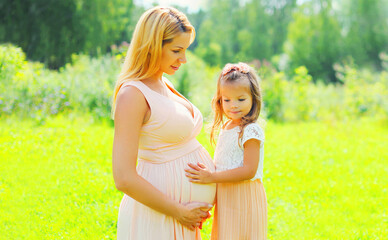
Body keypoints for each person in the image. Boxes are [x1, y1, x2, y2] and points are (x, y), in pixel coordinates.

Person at [111, 6, 216, 240]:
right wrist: (179, 211)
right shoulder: (132, 94)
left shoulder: (163, 83)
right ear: (152, 44)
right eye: (177, 50)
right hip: (158, 218)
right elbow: (123, 177)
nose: (184, 59)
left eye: (185, 50)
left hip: (180, 218)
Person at [185, 62, 267, 240]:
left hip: (244, 197)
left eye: (241, 99)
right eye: (226, 100)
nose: (233, 106)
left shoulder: (251, 130)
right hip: (226, 196)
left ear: (253, 98)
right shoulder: (227, 126)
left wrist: (211, 177)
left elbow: (249, 170)